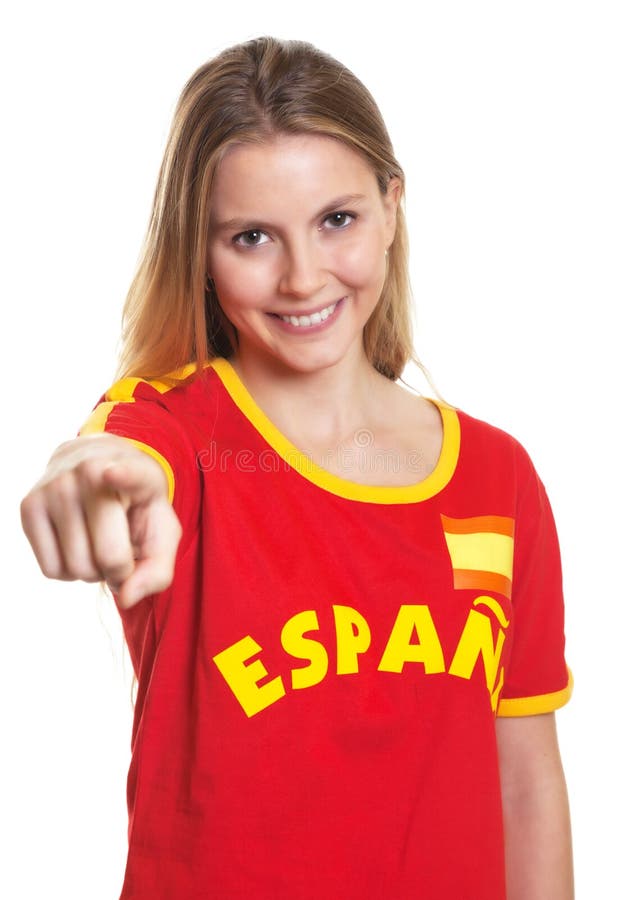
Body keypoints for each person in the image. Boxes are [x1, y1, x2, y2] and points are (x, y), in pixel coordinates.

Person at [20, 35, 574, 899]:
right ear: (198, 250)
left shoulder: (496, 477)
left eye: (336, 220)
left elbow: (527, 782)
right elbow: (119, 454)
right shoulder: (177, 431)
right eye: (251, 238)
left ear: (391, 206)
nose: (303, 277)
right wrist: (94, 476)